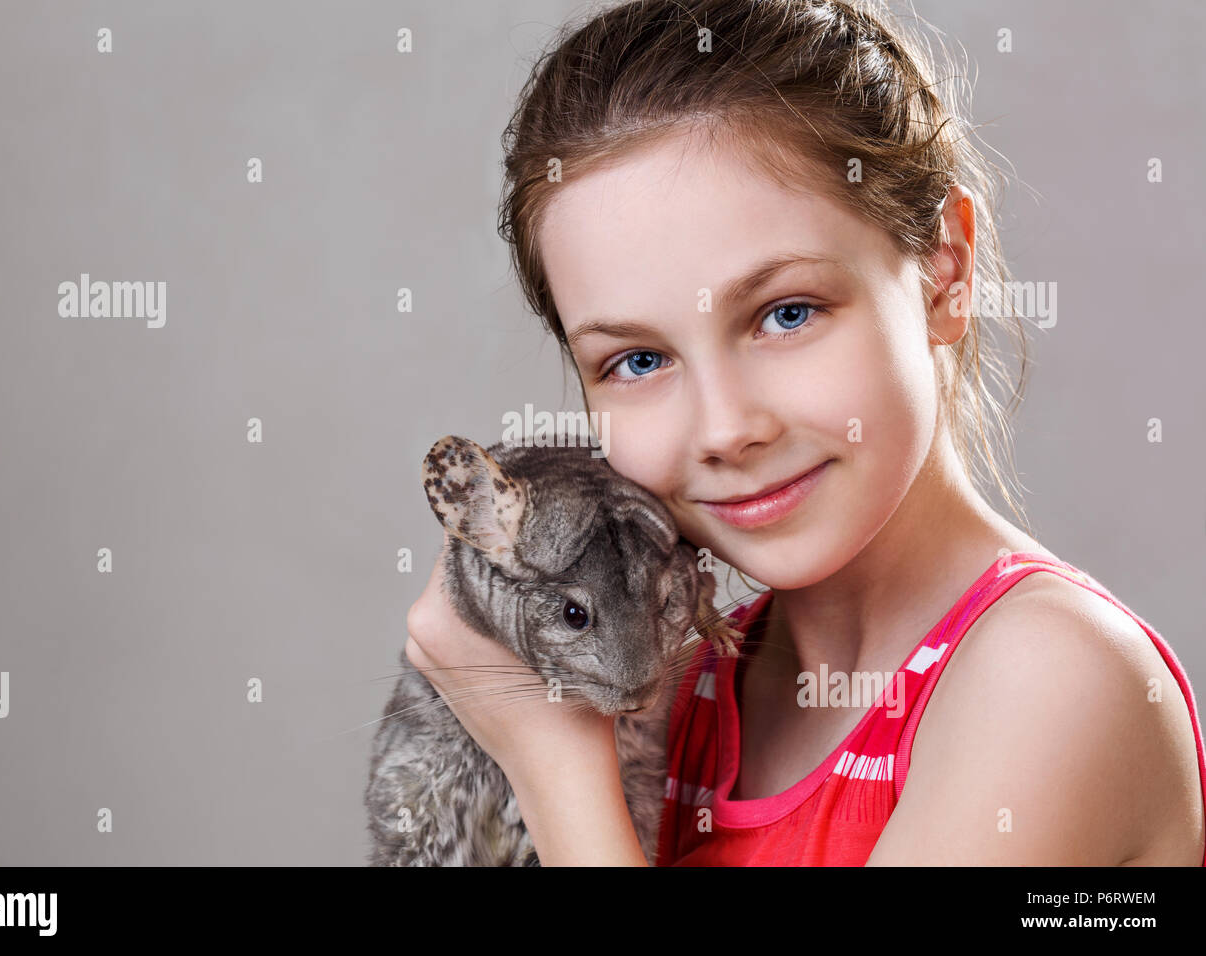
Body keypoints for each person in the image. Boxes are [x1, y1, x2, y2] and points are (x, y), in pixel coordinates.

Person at [403, 0, 1206, 865]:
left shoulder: (1052, 681)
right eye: (638, 361)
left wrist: (551, 763)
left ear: (946, 270)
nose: (726, 429)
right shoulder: (678, 694)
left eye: (787, 313)